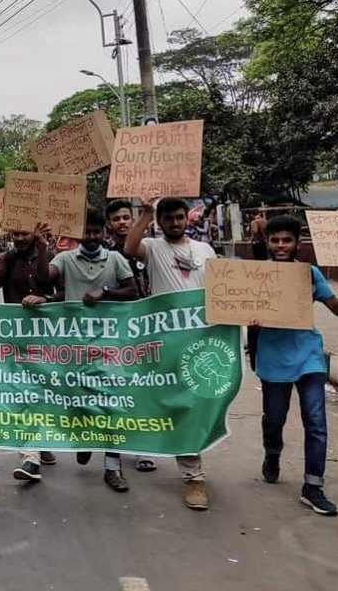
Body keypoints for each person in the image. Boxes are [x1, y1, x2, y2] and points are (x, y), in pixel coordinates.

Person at [252, 215, 338, 516]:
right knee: (275, 419)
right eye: (275, 240)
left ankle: (313, 486)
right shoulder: (254, 275)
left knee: (316, 422)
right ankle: (273, 453)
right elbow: (233, 310)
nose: (281, 245)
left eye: (287, 240)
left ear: (298, 244)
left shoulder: (310, 274)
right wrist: (248, 318)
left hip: (309, 356)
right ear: (268, 242)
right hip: (272, 357)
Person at [125, 197, 217, 510]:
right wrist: (146, 212)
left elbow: (221, 290)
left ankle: (191, 459)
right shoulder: (152, 247)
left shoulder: (205, 251)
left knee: (201, 406)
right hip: (167, 344)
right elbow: (129, 248)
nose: (175, 223)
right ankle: (194, 477)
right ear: (160, 222)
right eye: (168, 219)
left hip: (204, 342)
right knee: (179, 406)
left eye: (179, 217)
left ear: (186, 219)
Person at [47, 210, 138, 491]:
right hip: (73, 348)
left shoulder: (115, 259)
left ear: (104, 233)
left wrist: (106, 291)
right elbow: (42, 277)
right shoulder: (64, 259)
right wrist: (41, 246)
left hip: (109, 347)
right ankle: (85, 439)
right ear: (77, 234)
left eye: (96, 232)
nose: (91, 236)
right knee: (77, 402)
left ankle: (113, 468)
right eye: (86, 231)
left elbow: (132, 290)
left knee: (112, 405)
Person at [0, 222, 59, 480]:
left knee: (44, 393)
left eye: (24, 233)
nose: (20, 238)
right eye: (16, 234)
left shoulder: (53, 256)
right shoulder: (7, 257)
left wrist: (45, 300)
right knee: (24, 395)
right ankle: (30, 457)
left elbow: (62, 290)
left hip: (48, 339)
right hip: (17, 340)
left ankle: (43, 441)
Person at [105, 200, 156, 473]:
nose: (123, 222)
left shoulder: (151, 250)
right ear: (109, 224)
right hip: (119, 330)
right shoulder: (107, 255)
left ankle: (143, 447)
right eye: (117, 218)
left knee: (145, 388)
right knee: (118, 389)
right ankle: (118, 449)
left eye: (127, 217)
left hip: (150, 328)